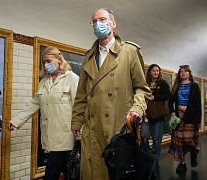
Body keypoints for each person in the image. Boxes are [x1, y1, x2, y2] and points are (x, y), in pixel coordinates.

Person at [71, 8, 151, 180]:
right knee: (92, 171)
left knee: (114, 171)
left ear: (113, 24)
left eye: (102, 19)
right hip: (91, 129)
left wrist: (137, 107)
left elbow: (142, 88)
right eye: (94, 21)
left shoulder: (129, 52)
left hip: (117, 127)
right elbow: (81, 95)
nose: (97, 24)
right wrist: (76, 120)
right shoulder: (89, 57)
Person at [8, 46, 79, 180]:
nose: (46, 65)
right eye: (44, 62)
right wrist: (16, 121)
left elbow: (80, 106)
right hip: (49, 138)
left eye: (48, 61)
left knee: (52, 174)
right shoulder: (43, 82)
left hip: (66, 138)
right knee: (69, 174)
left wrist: (80, 132)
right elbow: (34, 103)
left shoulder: (72, 78)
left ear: (59, 60)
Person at [168, 65, 201, 174]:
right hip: (178, 118)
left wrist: (198, 120)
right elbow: (170, 101)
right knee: (179, 142)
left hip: (191, 117)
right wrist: (172, 112)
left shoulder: (194, 86)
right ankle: (182, 163)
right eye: (181, 71)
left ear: (189, 73)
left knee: (188, 139)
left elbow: (197, 104)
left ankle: (193, 153)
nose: (183, 73)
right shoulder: (176, 86)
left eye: (186, 71)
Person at [141, 64, 170, 179]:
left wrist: (154, 96)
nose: (156, 72)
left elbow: (168, 95)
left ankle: (154, 163)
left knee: (157, 141)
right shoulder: (144, 83)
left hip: (158, 116)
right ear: (150, 72)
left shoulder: (162, 83)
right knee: (144, 138)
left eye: (158, 71)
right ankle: (149, 159)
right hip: (146, 116)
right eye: (154, 70)